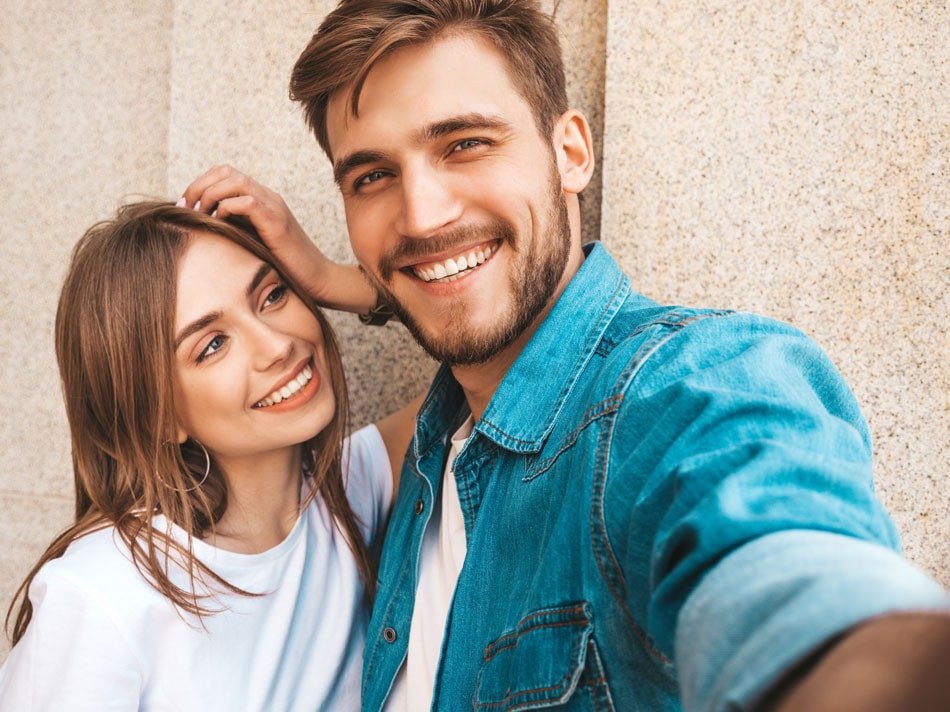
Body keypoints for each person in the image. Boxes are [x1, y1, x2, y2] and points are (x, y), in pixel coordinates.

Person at [181, 1, 950, 710]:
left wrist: (859, 658)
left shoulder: (690, 383)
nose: (421, 214)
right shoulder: (425, 451)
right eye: (373, 176)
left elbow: (793, 585)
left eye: (465, 144)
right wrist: (339, 281)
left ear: (571, 151)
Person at [0, 202, 416, 710]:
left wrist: (333, 279)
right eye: (213, 344)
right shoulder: (100, 595)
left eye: (272, 294)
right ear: (156, 417)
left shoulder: (344, 490)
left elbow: (492, 356)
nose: (276, 345)